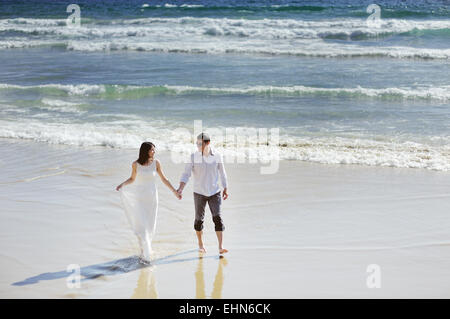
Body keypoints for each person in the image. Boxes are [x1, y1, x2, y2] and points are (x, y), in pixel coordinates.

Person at [116, 142, 180, 264]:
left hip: (152, 199)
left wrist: (174, 191)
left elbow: (164, 179)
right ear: (145, 151)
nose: (154, 152)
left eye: (154, 150)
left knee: (149, 226)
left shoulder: (156, 163)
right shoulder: (135, 165)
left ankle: (145, 251)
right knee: (142, 227)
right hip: (140, 198)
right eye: (152, 150)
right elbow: (132, 179)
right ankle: (144, 253)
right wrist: (122, 185)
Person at [177, 133, 229, 254]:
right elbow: (186, 174)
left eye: (200, 144)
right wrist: (180, 188)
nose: (197, 146)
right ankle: (201, 245)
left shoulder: (217, 156)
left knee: (218, 218)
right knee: (198, 220)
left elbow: (222, 173)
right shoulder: (193, 157)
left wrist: (226, 188)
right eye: (197, 144)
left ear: (208, 143)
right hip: (199, 193)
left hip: (214, 192)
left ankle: (220, 247)